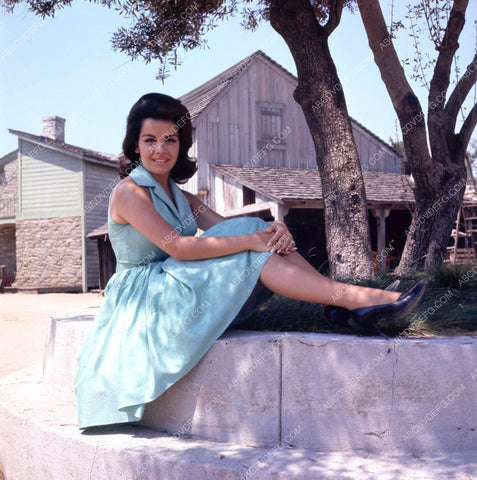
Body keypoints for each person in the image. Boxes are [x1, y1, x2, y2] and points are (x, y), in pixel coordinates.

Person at [75, 93, 427, 430]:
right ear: (135, 145)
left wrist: (274, 230)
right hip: (145, 298)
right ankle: (355, 301)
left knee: (256, 227)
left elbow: (226, 227)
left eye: (170, 140)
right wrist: (252, 238)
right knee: (250, 236)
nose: (160, 149)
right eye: (149, 140)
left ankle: (347, 302)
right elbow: (180, 247)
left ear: (181, 144)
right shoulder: (129, 192)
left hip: (173, 283)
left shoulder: (180, 195)